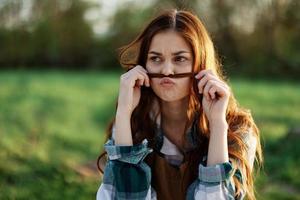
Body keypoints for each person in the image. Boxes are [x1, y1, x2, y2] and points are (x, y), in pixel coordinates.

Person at [96, 9, 262, 200]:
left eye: (180, 59)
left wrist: (217, 126)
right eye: (155, 59)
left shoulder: (238, 129)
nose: (167, 71)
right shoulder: (131, 124)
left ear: (200, 64)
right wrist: (123, 114)